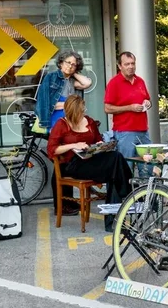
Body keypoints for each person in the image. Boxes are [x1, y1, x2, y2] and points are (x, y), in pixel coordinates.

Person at [47, 95, 132, 230]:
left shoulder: (90, 121)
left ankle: (114, 221)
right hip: (73, 164)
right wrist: (73, 145)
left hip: (91, 159)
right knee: (115, 163)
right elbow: (52, 150)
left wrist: (100, 145)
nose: (84, 112)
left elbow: (98, 139)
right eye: (81, 110)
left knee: (115, 163)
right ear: (73, 111)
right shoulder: (61, 124)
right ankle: (130, 194)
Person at [104, 51, 152, 172]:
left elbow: (147, 99)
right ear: (120, 66)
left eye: (133, 63)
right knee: (126, 170)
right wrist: (129, 107)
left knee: (148, 167)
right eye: (127, 64)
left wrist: (148, 103)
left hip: (143, 132)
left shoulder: (140, 81)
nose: (131, 66)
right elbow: (107, 108)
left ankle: (147, 191)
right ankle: (127, 192)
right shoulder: (114, 83)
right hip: (125, 133)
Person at [35, 51, 92, 131]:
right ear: (61, 63)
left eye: (73, 64)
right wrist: (71, 105)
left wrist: (73, 73)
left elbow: (87, 83)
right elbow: (44, 102)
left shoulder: (72, 81)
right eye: (68, 62)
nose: (70, 66)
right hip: (55, 118)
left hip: (71, 118)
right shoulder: (51, 77)